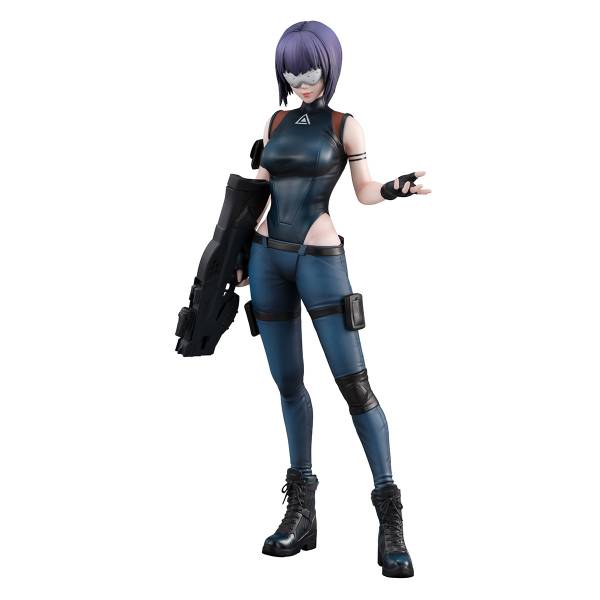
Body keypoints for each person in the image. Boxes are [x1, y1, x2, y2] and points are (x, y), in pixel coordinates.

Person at [237, 20, 431, 578]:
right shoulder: (275, 121)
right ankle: (302, 511)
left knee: (356, 386)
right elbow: (258, 190)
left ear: (330, 67)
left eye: (310, 71)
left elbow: (364, 191)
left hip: (320, 259)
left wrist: (394, 188)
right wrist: (235, 257)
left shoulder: (346, 125)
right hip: (266, 257)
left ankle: (390, 517)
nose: (301, 82)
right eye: (291, 73)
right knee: (287, 384)